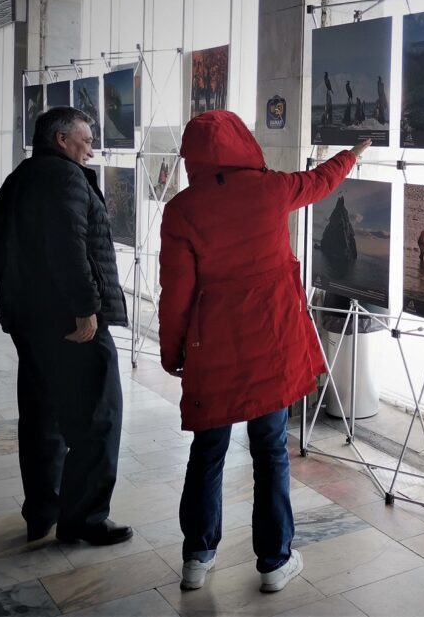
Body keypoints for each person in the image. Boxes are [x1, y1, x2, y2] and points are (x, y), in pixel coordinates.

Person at [158, 110, 370, 593]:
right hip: (270, 343)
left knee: (208, 450)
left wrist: (173, 352)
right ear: (242, 144)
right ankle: (274, 561)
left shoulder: (183, 211)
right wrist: (351, 156)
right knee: (270, 450)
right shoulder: (271, 189)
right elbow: (319, 182)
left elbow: (176, 291)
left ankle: (197, 556)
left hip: (213, 347)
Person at [0, 107, 131, 546]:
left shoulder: (19, 178)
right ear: (62, 139)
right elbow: (70, 247)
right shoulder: (65, 178)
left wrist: (21, 302)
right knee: (98, 418)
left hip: (30, 324)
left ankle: (42, 512)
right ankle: (83, 520)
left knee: (41, 418)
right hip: (73, 325)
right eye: (86, 138)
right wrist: (84, 307)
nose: (91, 146)